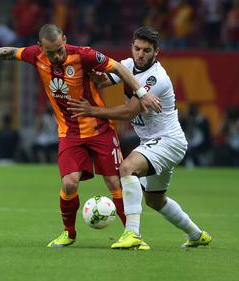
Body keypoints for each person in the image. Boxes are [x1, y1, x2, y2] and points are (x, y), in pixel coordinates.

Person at [0, 23, 162, 248]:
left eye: (60, 49)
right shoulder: (36, 55)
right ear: (41, 47)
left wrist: (141, 93)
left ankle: (133, 236)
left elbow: (118, 68)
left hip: (100, 129)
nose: (58, 55)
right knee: (69, 184)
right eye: (51, 52)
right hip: (69, 133)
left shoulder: (83, 55)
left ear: (65, 40)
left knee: (113, 181)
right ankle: (69, 233)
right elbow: (12, 52)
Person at [68, 26, 212, 249]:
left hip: (168, 141)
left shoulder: (156, 78)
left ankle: (132, 233)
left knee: (126, 168)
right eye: (137, 48)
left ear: (156, 52)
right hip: (155, 143)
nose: (140, 54)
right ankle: (196, 235)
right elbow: (104, 81)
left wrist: (92, 111)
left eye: (146, 50)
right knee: (155, 200)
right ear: (132, 47)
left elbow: (129, 112)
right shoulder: (127, 65)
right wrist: (98, 78)